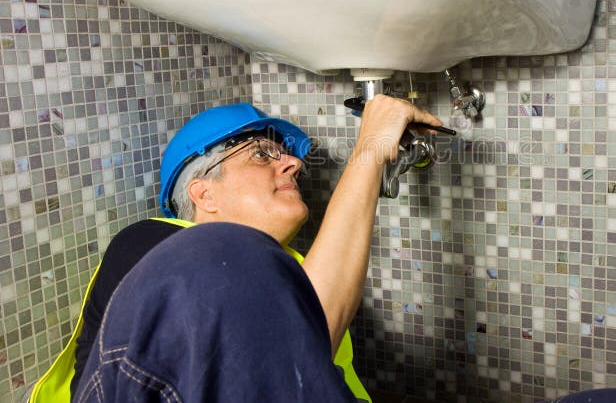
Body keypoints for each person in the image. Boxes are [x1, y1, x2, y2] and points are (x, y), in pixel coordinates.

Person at [31, 96, 442, 402]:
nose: (293, 164)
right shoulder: (148, 248)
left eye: (282, 154)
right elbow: (298, 344)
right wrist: (369, 149)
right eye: (262, 154)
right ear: (203, 193)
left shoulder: (290, 270)